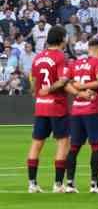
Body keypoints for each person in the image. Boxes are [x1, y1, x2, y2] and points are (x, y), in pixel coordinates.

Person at [27, 27, 72, 193]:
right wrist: (50, 89)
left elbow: (32, 79)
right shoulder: (60, 57)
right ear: (62, 39)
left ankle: (32, 184)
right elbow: (62, 81)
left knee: (37, 143)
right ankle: (58, 184)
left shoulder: (38, 57)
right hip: (57, 106)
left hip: (40, 106)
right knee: (63, 142)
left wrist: (37, 92)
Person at [66, 38, 98, 193]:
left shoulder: (75, 63)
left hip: (77, 110)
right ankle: (95, 185)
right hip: (92, 109)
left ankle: (69, 183)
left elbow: (67, 83)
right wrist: (85, 88)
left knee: (74, 147)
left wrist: (78, 91)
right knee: (96, 146)